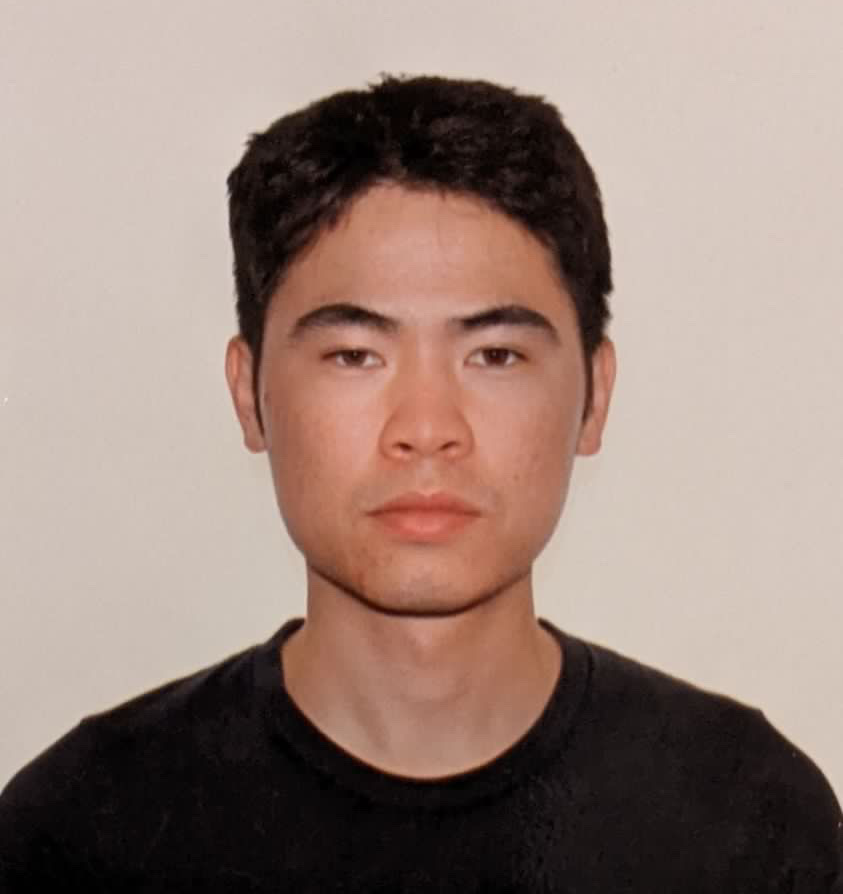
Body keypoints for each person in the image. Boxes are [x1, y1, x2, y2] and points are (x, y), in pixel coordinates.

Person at [1, 72, 840, 891]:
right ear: (249, 395)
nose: (428, 427)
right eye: (355, 355)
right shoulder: (79, 834)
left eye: (495, 355)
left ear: (594, 396)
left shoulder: (746, 819)